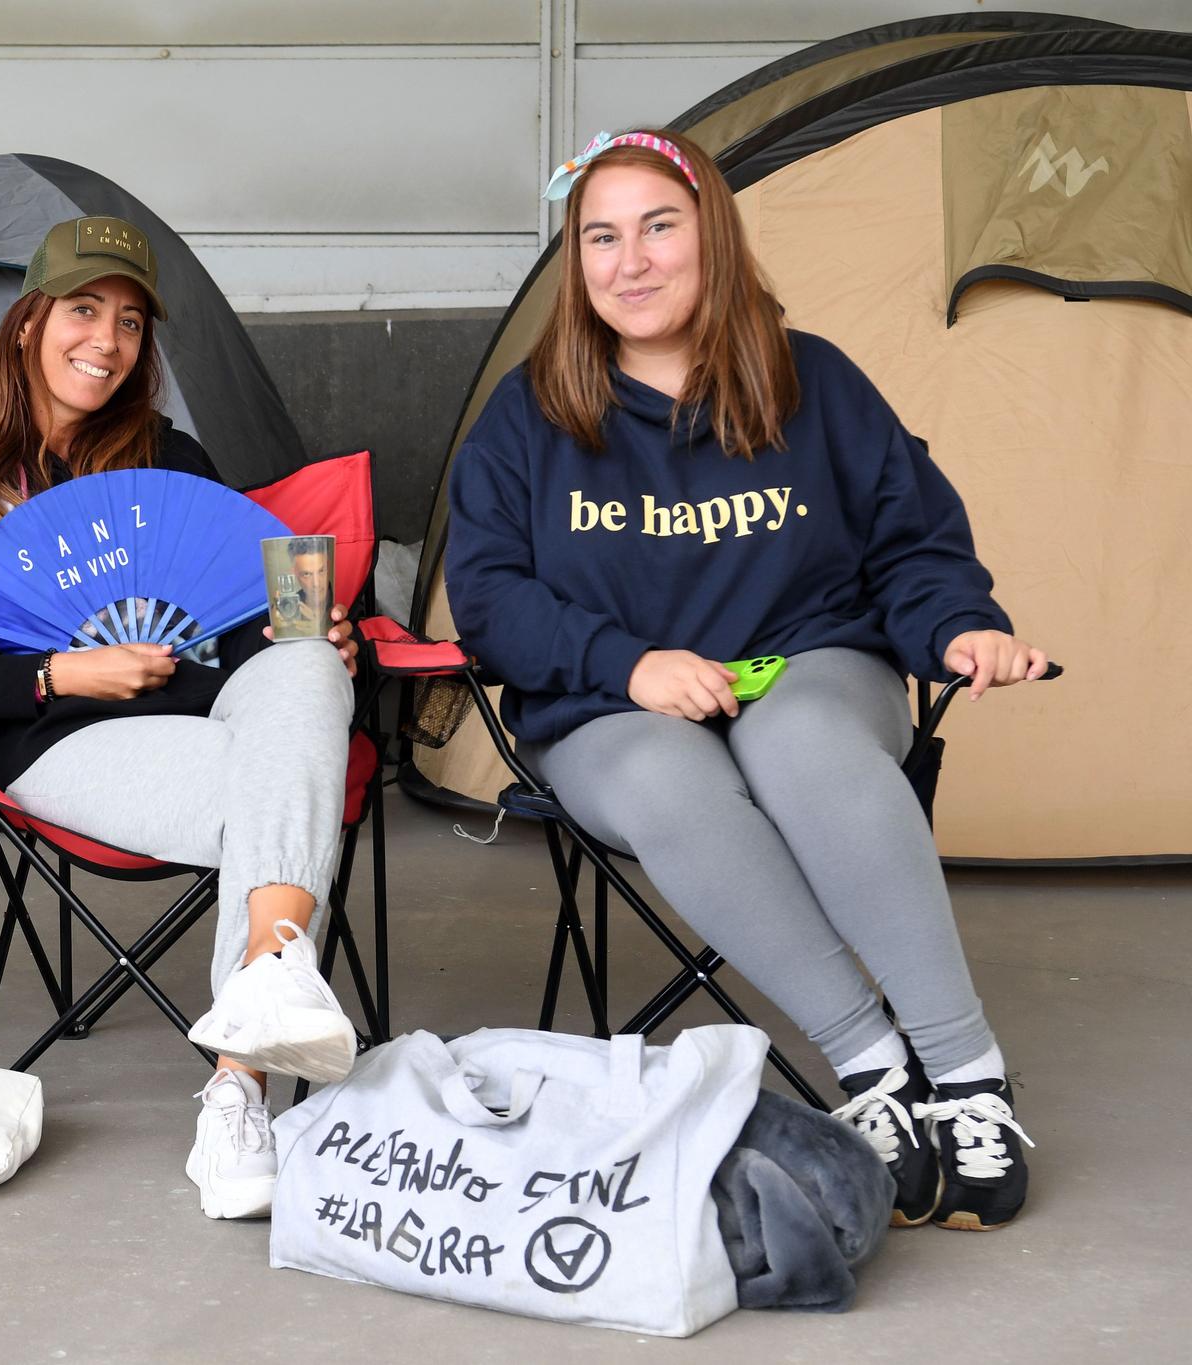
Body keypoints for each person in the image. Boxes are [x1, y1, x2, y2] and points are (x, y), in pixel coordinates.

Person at [446, 129, 1049, 1231]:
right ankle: (876, 1071)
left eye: (657, 228)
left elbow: (910, 543)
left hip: (807, 664)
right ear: (574, 265)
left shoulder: (807, 379)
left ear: (711, 236)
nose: (630, 261)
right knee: (668, 781)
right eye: (600, 238)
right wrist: (627, 664)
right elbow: (487, 598)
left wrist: (958, 630)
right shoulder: (526, 418)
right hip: (611, 703)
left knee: (802, 744)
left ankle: (966, 1078)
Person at [0, 216, 361, 1222]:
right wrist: (54, 675)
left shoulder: (169, 456)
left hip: (222, 714)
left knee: (306, 660)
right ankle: (252, 1053)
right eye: (83, 309)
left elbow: (230, 624)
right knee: (283, 795)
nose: (106, 338)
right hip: (62, 742)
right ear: (26, 326)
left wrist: (307, 635)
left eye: (130, 322)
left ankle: (239, 1078)